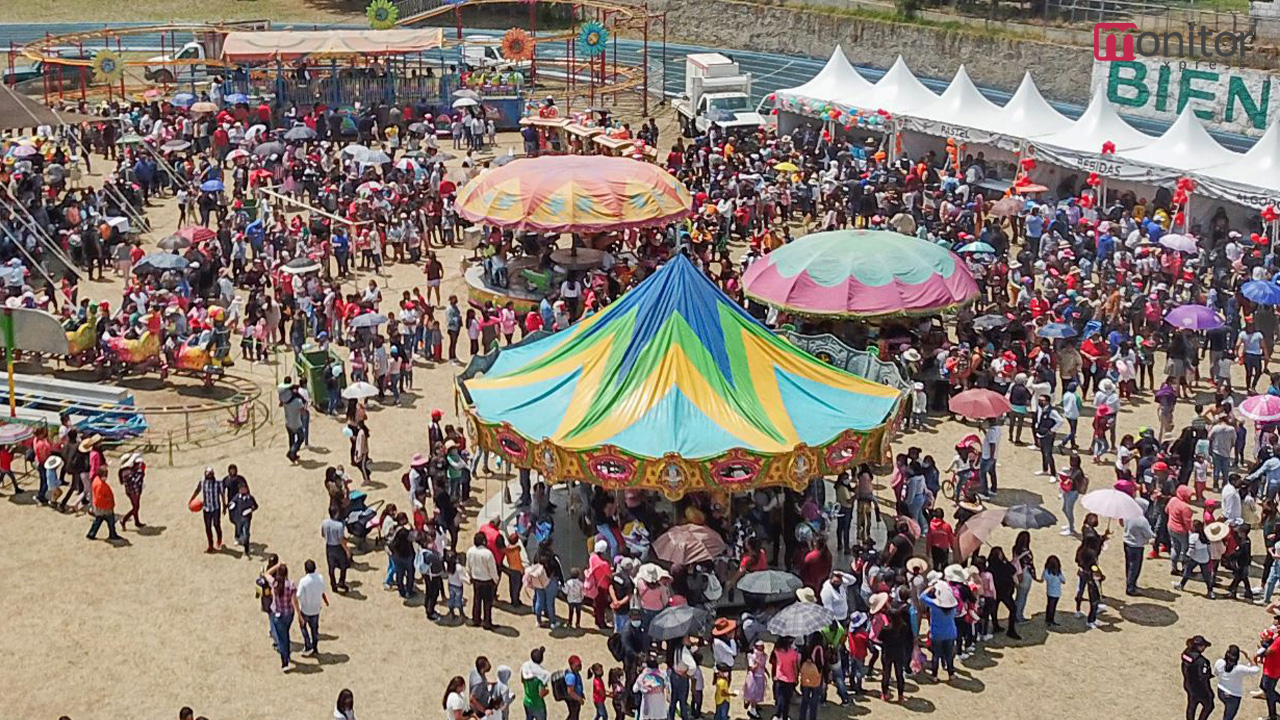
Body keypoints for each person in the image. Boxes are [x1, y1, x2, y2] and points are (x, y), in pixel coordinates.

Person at [264, 560, 297, 672]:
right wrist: (299, 613)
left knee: (282, 638)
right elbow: (294, 601)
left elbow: (266, 574)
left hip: (278, 614)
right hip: (289, 614)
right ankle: (286, 653)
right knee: (285, 634)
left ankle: (285, 660)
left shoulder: (275, 584)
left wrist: (277, 566)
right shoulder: (291, 585)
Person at [1214, 645, 1258, 720]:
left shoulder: (1219, 662)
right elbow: (1256, 669)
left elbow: (1216, 673)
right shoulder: (1239, 669)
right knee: (1228, 717)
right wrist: (1250, 658)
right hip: (1233, 696)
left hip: (1221, 692)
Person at [296, 559, 329, 657]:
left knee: (303, 626)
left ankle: (307, 643)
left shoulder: (303, 581)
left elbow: (298, 595)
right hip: (316, 609)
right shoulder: (320, 578)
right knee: (315, 630)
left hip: (306, 609)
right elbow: (323, 590)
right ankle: (315, 647)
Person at [467, 531, 499, 629]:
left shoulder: (470, 551)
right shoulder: (488, 554)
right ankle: (487, 622)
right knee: (487, 602)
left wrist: (469, 576)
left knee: (477, 600)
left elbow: (468, 566)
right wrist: (496, 579)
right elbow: (492, 569)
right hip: (487, 581)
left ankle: (476, 619)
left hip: (476, 579)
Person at [190, 467, 224, 552]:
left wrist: (224, 506)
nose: (209, 475)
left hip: (216, 507)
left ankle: (219, 537)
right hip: (206, 508)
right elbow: (197, 491)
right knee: (208, 527)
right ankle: (210, 545)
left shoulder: (218, 483)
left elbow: (222, 495)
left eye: (211, 473)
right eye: (207, 474)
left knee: (216, 524)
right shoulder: (202, 483)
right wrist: (191, 500)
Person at [1181, 635, 1214, 720]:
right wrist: (1209, 692)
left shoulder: (1186, 653)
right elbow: (1203, 678)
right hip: (1200, 689)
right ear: (1199, 647)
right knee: (1209, 705)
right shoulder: (1201, 661)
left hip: (1188, 684)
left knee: (1191, 705)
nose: (1204, 648)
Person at [86, 467, 122, 541]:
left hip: (99, 506)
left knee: (98, 521)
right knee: (110, 521)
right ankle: (112, 534)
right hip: (105, 507)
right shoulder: (100, 485)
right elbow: (100, 498)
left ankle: (91, 534)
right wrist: (109, 502)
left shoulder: (96, 480)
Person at [322, 507, 352, 592]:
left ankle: (333, 585)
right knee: (343, 565)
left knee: (331, 567)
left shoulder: (325, 523)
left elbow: (323, 534)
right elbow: (341, 540)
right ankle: (341, 582)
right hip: (338, 547)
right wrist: (347, 550)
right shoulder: (339, 525)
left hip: (329, 547)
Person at [521, 647, 552, 720]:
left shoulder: (526, 668)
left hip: (527, 702)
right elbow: (541, 693)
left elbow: (522, 680)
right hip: (538, 706)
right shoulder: (541, 676)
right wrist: (547, 691)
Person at [564, 655, 586, 720]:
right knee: (574, 715)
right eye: (577, 665)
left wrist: (581, 693)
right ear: (571, 665)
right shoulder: (571, 676)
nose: (579, 667)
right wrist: (579, 698)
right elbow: (570, 691)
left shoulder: (575, 672)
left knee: (574, 715)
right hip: (573, 700)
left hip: (575, 697)